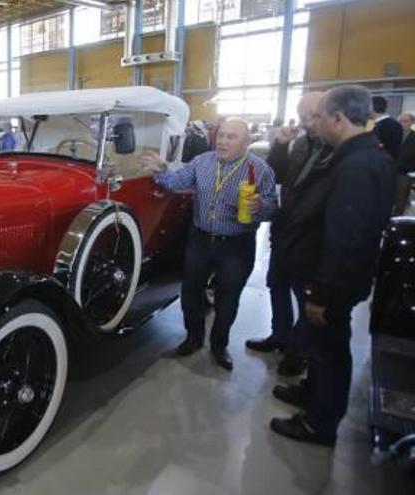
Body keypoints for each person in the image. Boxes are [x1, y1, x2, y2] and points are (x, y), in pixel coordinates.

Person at [269, 86, 396, 447]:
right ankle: (313, 395)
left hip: (332, 283)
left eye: (321, 117)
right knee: (322, 350)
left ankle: (319, 424)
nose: (316, 124)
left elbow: (345, 238)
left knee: (330, 352)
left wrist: (320, 293)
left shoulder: (356, 166)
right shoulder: (364, 156)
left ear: (338, 119)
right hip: (330, 274)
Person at [140, 119, 278, 371]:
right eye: (221, 135)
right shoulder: (202, 162)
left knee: (228, 299)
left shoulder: (260, 170)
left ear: (247, 142)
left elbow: (272, 207)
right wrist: (162, 170)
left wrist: (260, 206)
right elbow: (177, 182)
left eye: (232, 137)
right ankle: (193, 337)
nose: (223, 141)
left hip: (236, 244)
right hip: (200, 240)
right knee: (191, 292)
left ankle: (219, 345)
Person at [245, 92, 332, 377]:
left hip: (312, 240)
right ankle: (280, 335)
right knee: (276, 284)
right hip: (285, 231)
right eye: (304, 116)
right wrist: (281, 144)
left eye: (314, 117)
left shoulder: (338, 150)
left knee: (304, 296)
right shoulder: (302, 144)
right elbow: (276, 174)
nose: (308, 122)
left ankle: (299, 351)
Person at [394, 112, 415, 215]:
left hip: (404, 172)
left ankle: (398, 217)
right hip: (391, 169)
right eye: (400, 121)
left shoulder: (414, 137)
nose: (402, 123)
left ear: (412, 122)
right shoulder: (394, 134)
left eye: (405, 121)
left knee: (401, 198)